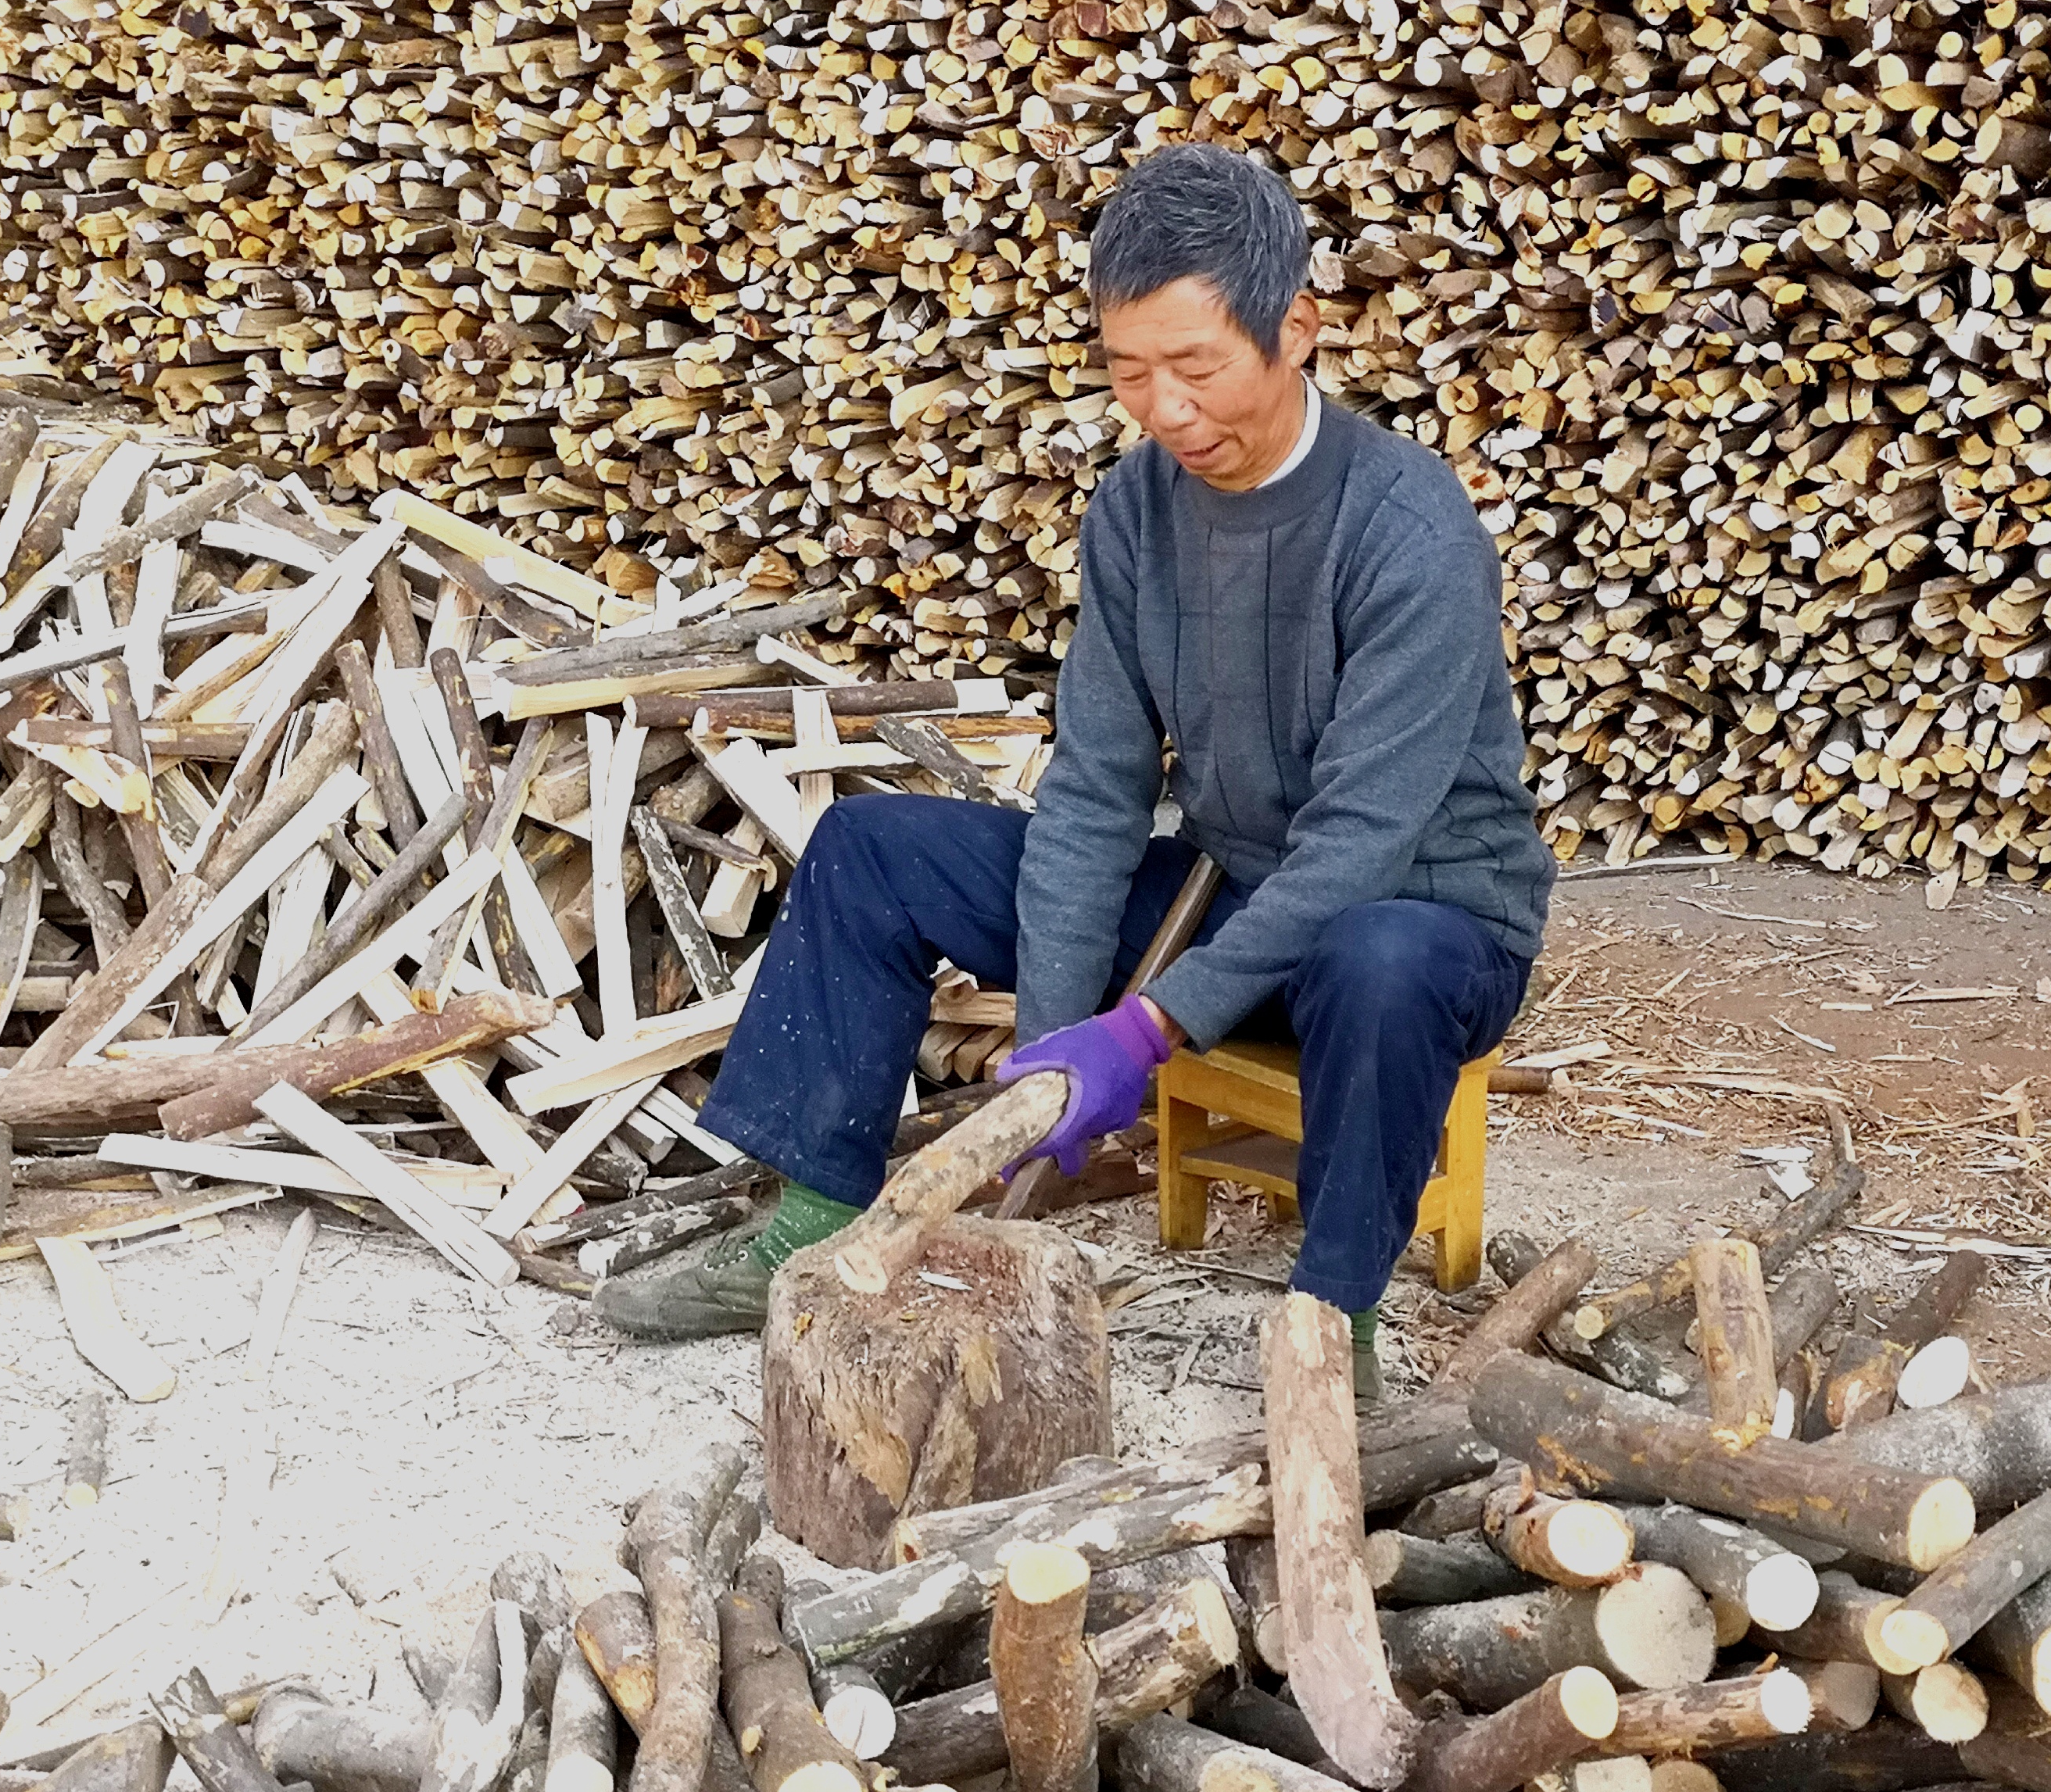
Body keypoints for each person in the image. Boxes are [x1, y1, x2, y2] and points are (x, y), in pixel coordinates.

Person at [598, 143, 1554, 1394]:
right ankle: (812, 1221)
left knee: (1379, 952)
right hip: (1231, 899)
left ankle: (1332, 1325)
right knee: (875, 850)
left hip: (1421, 924)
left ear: (1299, 330)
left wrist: (1146, 1029)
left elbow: (1360, 846)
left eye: (1197, 367)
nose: (1165, 410)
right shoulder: (1137, 511)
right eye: (1128, 371)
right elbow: (1098, 788)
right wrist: (1056, 1044)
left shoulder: (1408, 531)